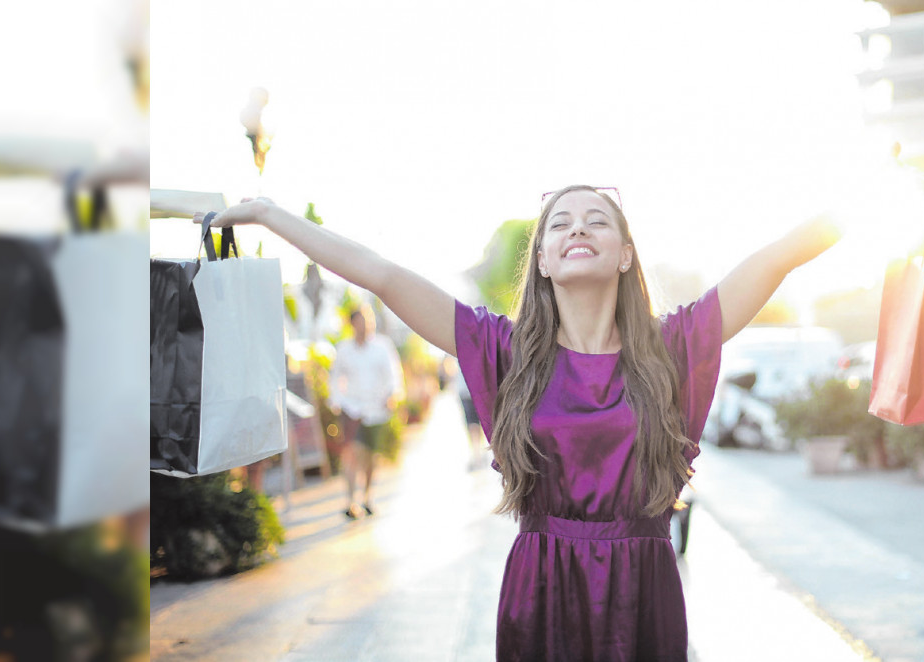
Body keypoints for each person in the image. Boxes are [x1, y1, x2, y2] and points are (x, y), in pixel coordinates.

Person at [196, 185, 840, 660]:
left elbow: (778, 257)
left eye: (597, 220)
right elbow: (385, 277)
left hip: (645, 584)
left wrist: (868, 203)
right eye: (558, 224)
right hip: (543, 580)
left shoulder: (672, 347)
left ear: (623, 256)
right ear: (542, 260)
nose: (576, 228)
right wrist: (270, 216)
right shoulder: (503, 351)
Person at [327, 306, 405, 519]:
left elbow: (393, 376)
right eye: (361, 322)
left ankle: (368, 497)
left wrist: (392, 396)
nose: (366, 326)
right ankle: (351, 501)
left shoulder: (382, 347)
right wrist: (337, 401)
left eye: (368, 321)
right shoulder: (343, 349)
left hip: (376, 411)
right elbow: (335, 378)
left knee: (370, 458)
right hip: (352, 410)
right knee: (352, 454)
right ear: (352, 324)